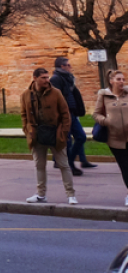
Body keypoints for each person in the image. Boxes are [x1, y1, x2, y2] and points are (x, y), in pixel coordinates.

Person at [22, 66, 77, 204]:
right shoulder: (26, 95)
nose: (47, 80)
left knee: (64, 165)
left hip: (55, 133)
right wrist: (27, 130)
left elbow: (66, 114)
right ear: (35, 78)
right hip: (37, 134)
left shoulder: (56, 93)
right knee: (39, 165)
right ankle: (41, 194)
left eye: (47, 77)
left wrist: (63, 132)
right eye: (44, 78)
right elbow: (23, 115)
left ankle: (71, 194)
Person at [51, 56, 96, 174]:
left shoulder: (68, 78)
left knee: (81, 137)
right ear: (63, 66)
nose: (71, 67)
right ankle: (68, 164)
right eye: (69, 65)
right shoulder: (56, 79)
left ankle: (69, 161)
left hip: (72, 113)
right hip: (64, 114)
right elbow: (56, 98)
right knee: (67, 140)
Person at [94, 69, 128, 206]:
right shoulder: (104, 96)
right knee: (125, 167)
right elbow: (96, 114)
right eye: (119, 79)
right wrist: (106, 121)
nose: (122, 82)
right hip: (115, 139)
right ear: (111, 81)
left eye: (123, 79)